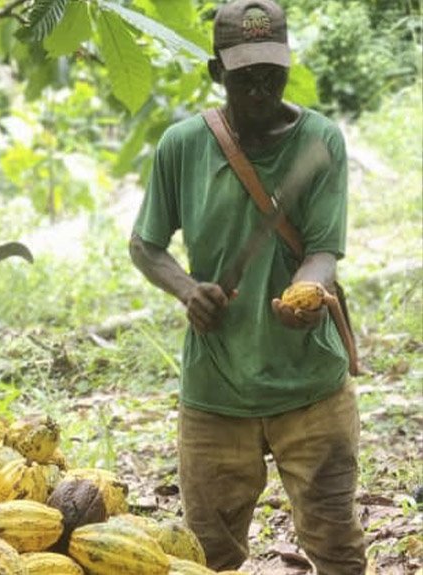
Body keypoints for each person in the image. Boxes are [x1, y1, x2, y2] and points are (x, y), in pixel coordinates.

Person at [128, 0, 366, 572]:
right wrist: (188, 289)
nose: (260, 88)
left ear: (287, 66)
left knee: (336, 546)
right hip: (216, 391)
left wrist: (305, 295)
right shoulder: (182, 146)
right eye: (244, 77)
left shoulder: (320, 140)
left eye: (272, 73)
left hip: (309, 386)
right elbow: (145, 244)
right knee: (208, 554)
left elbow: (322, 250)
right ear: (216, 73)